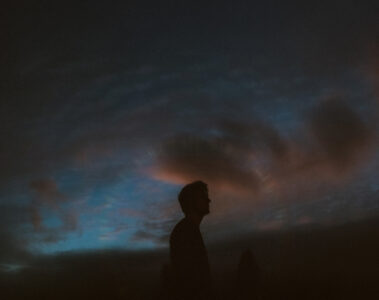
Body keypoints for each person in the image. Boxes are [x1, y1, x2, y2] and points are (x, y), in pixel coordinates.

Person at [169, 181, 213, 300]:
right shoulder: (185, 232)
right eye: (203, 197)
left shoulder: (189, 229)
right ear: (191, 202)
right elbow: (190, 281)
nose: (208, 200)